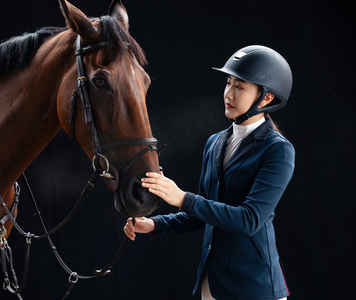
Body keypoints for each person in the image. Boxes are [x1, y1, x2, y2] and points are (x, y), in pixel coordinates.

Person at [123, 45, 295, 300]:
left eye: (240, 87)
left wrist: (182, 198)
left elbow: (248, 220)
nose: (228, 93)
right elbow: (202, 214)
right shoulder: (214, 143)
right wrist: (154, 225)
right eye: (228, 83)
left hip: (254, 289)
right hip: (211, 285)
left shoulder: (278, 151)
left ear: (266, 98)